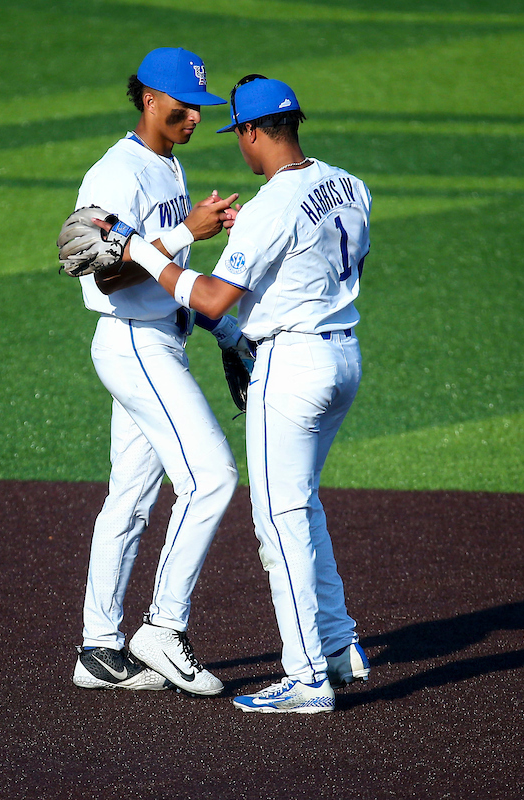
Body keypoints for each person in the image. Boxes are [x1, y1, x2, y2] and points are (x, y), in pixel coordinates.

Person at [103, 76, 373, 713]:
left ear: (253, 131)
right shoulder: (349, 184)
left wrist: (141, 249)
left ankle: (307, 677)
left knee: (278, 521)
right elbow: (318, 263)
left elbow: (212, 297)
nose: (239, 151)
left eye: (239, 137)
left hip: (293, 366)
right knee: (302, 506)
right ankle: (336, 647)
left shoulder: (275, 202)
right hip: (343, 356)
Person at [69, 47, 248, 698]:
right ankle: (163, 628)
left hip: (158, 342)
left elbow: (161, 274)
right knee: (212, 478)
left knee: (132, 500)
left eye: (199, 108)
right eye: (182, 106)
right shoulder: (116, 174)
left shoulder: (166, 163)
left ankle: (98, 649)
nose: (193, 117)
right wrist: (186, 234)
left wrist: (222, 328)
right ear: (147, 98)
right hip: (134, 343)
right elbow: (101, 270)